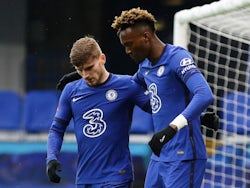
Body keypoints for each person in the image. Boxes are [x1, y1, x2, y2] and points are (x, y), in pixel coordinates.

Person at [111, 7, 215, 188]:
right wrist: (92, 77)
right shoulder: (145, 67)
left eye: (129, 44)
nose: (127, 51)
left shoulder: (177, 57)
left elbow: (204, 94)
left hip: (184, 155)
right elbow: (128, 85)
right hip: (159, 156)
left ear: (146, 37)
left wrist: (172, 128)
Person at [46, 36, 152, 188]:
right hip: (84, 178)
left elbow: (157, 108)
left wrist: (192, 115)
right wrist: (51, 158)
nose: (85, 75)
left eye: (89, 68)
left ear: (102, 58)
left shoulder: (127, 85)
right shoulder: (71, 91)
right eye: (79, 70)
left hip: (116, 177)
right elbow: (56, 129)